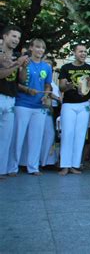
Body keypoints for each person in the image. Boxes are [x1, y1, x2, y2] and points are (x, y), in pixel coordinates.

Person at [9, 38, 52, 176]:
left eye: (42, 48)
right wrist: (27, 90)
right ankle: (12, 167)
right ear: (31, 48)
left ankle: (33, 167)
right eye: (38, 47)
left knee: (36, 138)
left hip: (39, 106)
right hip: (22, 104)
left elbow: (47, 84)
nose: (40, 50)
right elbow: (17, 83)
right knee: (18, 137)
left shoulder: (47, 67)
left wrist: (45, 95)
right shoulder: (25, 62)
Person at [58, 43, 90, 175]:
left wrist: (88, 83)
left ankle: (75, 165)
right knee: (67, 134)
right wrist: (68, 86)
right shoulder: (65, 67)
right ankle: (65, 165)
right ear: (74, 53)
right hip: (69, 104)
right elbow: (62, 87)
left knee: (80, 135)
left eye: (85, 52)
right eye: (80, 51)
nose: (83, 54)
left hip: (84, 105)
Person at [0, 25, 28, 178]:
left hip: (11, 99)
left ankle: (2, 170)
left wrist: (23, 67)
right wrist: (17, 64)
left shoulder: (17, 55)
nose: (16, 40)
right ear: (5, 36)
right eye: (13, 36)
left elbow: (21, 80)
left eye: (18, 37)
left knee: (5, 138)